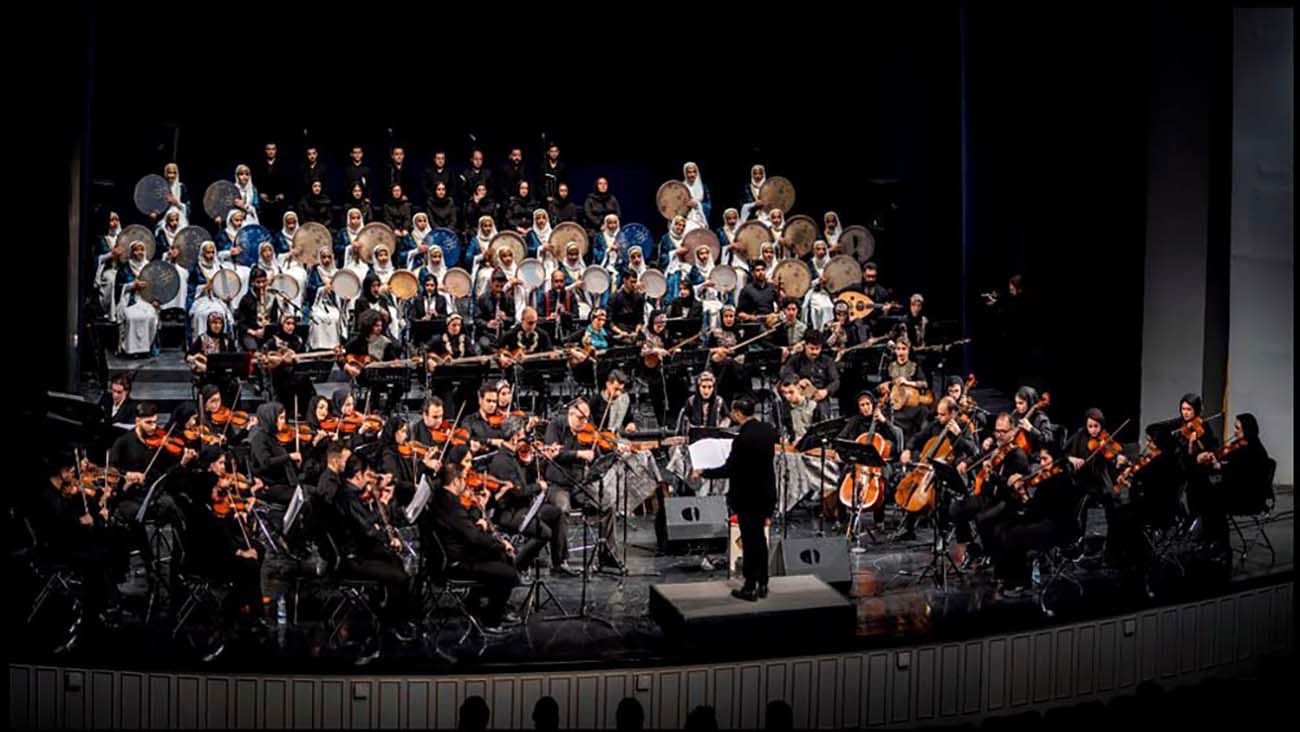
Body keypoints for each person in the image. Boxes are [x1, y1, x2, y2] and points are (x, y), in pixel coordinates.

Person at [692, 396, 777, 601]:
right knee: (760, 539)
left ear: (738, 413)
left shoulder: (742, 439)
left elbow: (729, 469)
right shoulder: (768, 430)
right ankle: (763, 582)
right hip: (766, 493)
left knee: (750, 540)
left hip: (748, 495)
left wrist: (703, 472)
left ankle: (749, 586)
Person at [327, 452, 417, 644]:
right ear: (358, 475)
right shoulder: (347, 497)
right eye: (368, 475)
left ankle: (392, 613)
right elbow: (366, 529)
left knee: (395, 560)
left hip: (360, 549)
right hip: (353, 558)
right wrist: (381, 506)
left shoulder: (349, 493)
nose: (371, 479)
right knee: (399, 575)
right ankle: (391, 621)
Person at [428, 462, 520, 630]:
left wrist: (479, 513)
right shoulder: (450, 504)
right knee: (508, 573)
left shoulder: (443, 498)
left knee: (500, 558)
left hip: (457, 552)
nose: (466, 484)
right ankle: (491, 621)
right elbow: (473, 537)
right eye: (463, 479)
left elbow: (463, 528)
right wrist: (501, 544)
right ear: (455, 481)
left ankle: (474, 603)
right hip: (455, 562)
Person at [540, 398, 622, 570]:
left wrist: (613, 451)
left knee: (607, 504)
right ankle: (560, 561)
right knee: (562, 509)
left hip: (580, 484)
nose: (584, 422)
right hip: (557, 484)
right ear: (570, 413)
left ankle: (607, 554)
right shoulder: (555, 426)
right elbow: (553, 454)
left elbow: (596, 457)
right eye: (580, 418)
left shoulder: (588, 431)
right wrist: (579, 454)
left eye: (587, 418)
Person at [487, 425, 575, 574]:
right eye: (521, 434)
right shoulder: (502, 461)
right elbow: (518, 492)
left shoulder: (514, 456)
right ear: (514, 436)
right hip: (509, 512)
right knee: (544, 533)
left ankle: (559, 562)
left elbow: (529, 476)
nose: (524, 440)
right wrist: (538, 487)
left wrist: (546, 459)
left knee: (557, 513)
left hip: (524, 507)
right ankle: (515, 568)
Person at [947, 411, 1027, 560]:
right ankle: (972, 547)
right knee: (956, 508)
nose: (999, 435)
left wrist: (993, 476)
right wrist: (967, 463)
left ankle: (991, 554)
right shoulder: (995, 448)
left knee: (982, 518)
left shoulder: (1018, 456)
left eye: (1004, 432)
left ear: (1013, 431)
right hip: (987, 496)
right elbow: (979, 456)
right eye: (997, 431)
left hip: (1004, 500)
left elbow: (1011, 488)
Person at [248, 402, 302, 505]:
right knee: (305, 498)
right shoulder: (259, 438)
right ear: (270, 418)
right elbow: (266, 462)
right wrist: (289, 457)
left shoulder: (272, 436)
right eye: (281, 418)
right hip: (270, 486)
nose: (284, 422)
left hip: (281, 483)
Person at [878, 338, 928, 440]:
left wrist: (907, 382)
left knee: (923, 411)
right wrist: (886, 386)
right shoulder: (890, 366)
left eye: (904, 349)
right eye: (898, 349)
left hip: (910, 405)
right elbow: (883, 385)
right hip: (894, 405)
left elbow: (924, 384)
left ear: (908, 350)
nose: (901, 352)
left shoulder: (914, 366)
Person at [235, 268, 279, 352]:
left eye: (264, 281)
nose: (262, 285)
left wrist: (268, 327)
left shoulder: (272, 298)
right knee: (253, 348)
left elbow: (274, 319)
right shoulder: (246, 300)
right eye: (258, 282)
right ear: (252, 283)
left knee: (275, 345)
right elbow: (241, 323)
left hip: (267, 332)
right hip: (250, 333)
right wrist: (254, 332)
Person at [681, 161, 711, 231]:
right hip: (686, 222)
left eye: (694, 172)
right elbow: (677, 208)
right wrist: (686, 206)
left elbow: (709, 206)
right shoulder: (681, 188)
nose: (692, 174)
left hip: (700, 221)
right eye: (689, 172)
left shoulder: (703, 188)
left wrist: (697, 204)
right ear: (685, 173)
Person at [539, 143, 565, 207]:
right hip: (544, 199)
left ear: (558, 152)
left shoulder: (562, 166)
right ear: (548, 152)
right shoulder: (543, 166)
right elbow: (539, 183)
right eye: (552, 151)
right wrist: (545, 196)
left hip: (558, 198)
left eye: (555, 151)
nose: (554, 153)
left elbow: (564, 182)